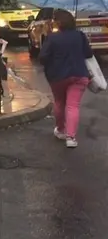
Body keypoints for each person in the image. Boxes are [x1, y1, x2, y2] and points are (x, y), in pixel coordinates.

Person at [39, 9, 92, 148]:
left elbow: (42, 58)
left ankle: (61, 130)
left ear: (58, 23)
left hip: (58, 76)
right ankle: (71, 138)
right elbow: (88, 54)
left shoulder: (52, 38)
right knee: (73, 105)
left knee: (59, 102)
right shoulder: (80, 36)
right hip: (79, 75)